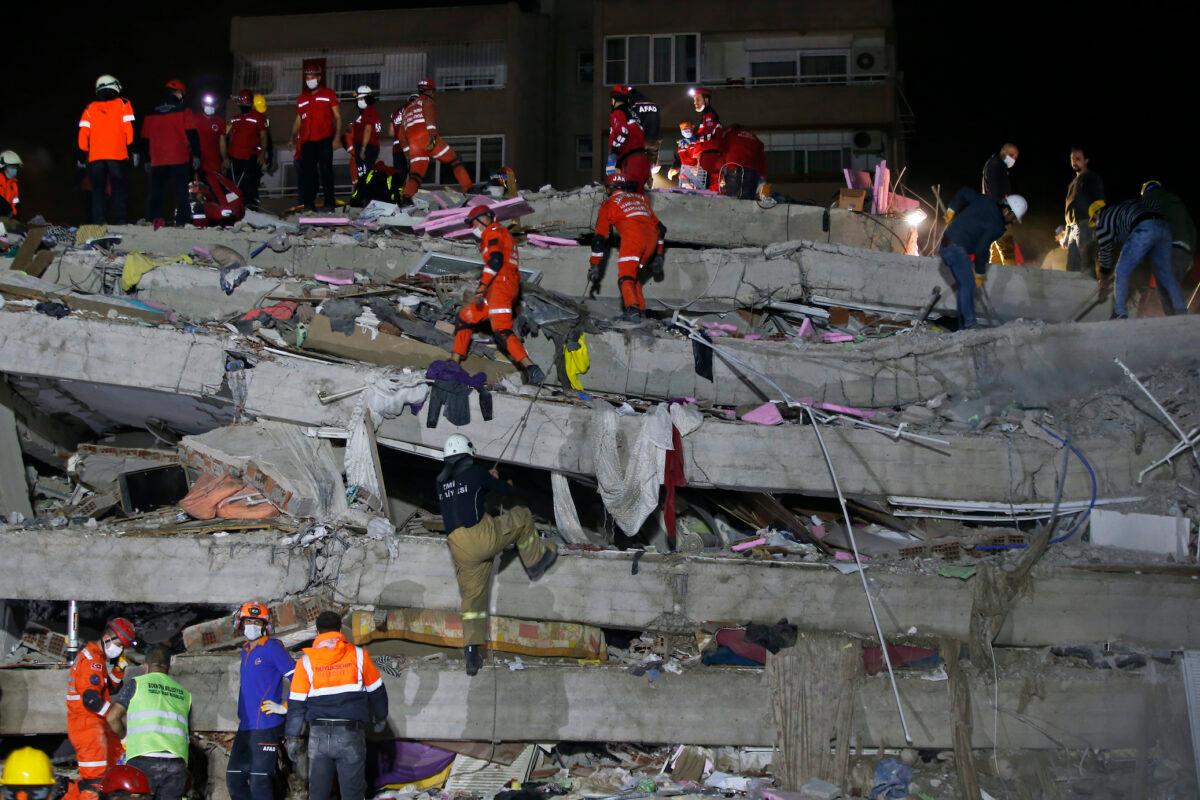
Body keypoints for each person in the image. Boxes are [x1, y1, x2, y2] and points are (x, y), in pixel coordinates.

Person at [436, 434, 557, 676]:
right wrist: (502, 483)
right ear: (467, 452)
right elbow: (505, 491)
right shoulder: (476, 473)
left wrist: (483, 484)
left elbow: (465, 499)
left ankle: (471, 652)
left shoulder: (440, 483)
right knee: (521, 515)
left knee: (472, 602)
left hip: (458, 547)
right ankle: (537, 560)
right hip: (481, 537)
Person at [285, 611, 388, 800]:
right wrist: (380, 717)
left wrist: (291, 737)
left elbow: (296, 706)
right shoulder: (358, 655)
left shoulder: (305, 662)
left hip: (318, 737)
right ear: (340, 630)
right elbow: (377, 691)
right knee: (352, 795)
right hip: (350, 734)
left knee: (318, 795)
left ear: (317, 632)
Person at [451, 205, 545, 384]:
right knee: (465, 317)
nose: (473, 229)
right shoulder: (502, 233)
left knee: (501, 331)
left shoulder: (493, 231)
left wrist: (481, 287)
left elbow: (495, 260)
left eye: (473, 224)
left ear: (483, 219)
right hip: (500, 287)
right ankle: (454, 363)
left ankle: (530, 367)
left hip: (501, 286)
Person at [226, 602, 295, 800]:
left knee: (259, 780)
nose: (252, 625)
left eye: (257, 621)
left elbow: (298, 676)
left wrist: (285, 707)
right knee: (234, 779)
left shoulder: (273, 647)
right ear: (241, 623)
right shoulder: (246, 650)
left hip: (266, 725)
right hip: (246, 726)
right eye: (249, 621)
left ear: (265, 625)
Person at [63, 618, 137, 800]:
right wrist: (113, 714)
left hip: (96, 726)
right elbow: (91, 699)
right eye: (119, 645)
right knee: (94, 784)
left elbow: (107, 688)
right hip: (88, 728)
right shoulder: (91, 661)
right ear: (106, 638)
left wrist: (119, 669)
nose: (120, 650)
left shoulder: (97, 658)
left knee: (109, 774)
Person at [106, 646, 191, 800]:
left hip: (143, 760)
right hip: (177, 763)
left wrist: (123, 737)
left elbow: (112, 717)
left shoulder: (137, 684)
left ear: (146, 666)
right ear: (169, 668)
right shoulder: (184, 693)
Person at [940, 189, 1027, 329]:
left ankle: (963, 326)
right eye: (1014, 218)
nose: (1013, 222)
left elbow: (963, 192)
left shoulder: (986, 200)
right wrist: (980, 272)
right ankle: (970, 324)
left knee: (965, 286)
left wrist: (952, 208)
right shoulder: (997, 226)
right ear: (1007, 211)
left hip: (947, 244)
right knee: (968, 286)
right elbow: (982, 248)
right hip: (956, 249)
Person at [1090, 197, 1188, 319]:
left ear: (1097, 213)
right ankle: (1181, 309)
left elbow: (1105, 254)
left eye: (1093, 220)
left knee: (1121, 271)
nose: (1095, 224)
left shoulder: (1103, 221)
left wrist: (1103, 281)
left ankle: (1119, 312)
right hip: (1163, 226)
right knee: (1166, 273)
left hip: (1144, 227)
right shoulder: (1123, 208)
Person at [589, 171, 666, 322]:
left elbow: (599, 239)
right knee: (634, 276)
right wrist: (659, 255)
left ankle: (632, 311)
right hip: (651, 242)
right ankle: (641, 310)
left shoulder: (609, 204)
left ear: (610, 188)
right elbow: (661, 228)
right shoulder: (640, 198)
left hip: (633, 239)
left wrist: (595, 265)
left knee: (625, 277)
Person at [400, 79, 473, 201]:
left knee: (416, 175)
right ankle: (469, 189)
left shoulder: (407, 110)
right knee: (455, 160)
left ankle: (406, 198)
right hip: (428, 138)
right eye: (433, 91)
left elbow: (401, 135)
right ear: (430, 91)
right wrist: (433, 137)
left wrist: (408, 153)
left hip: (414, 146)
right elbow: (429, 119)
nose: (434, 94)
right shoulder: (428, 101)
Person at [141, 79, 200, 227]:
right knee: (181, 191)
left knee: (156, 192)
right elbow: (192, 134)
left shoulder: (152, 111)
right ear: (179, 93)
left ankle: (153, 220)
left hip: (157, 158)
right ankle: (183, 221)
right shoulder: (184, 110)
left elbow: (145, 138)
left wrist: (146, 159)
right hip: (179, 157)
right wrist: (197, 155)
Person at [78, 75, 135, 225]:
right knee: (118, 189)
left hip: (95, 157)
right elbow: (129, 132)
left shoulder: (90, 108)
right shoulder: (124, 104)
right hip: (117, 155)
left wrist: (82, 155)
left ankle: (99, 221)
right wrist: (131, 149)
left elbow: (83, 135)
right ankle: (120, 220)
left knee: (97, 190)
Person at [1140, 180, 1196, 311]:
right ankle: (1178, 320)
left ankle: (1177, 319)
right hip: (1184, 252)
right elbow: (1192, 229)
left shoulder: (1151, 199)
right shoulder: (1178, 203)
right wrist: (1191, 254)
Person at [292, 65, 341, 212]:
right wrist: (292, 136)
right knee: (308, 173)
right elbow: (298, 119)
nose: (309, 80)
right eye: (307, 78)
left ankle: (329, 203)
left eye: (312, 78)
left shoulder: (329, 94)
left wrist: (337, 137)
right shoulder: (302, 98)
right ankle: (309, 204)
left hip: (325, 138)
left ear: (319, 78)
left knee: (326, 171)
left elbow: (337, 117)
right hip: (307, 141)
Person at [1064, 147, 1104, 273]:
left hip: (1086, 224)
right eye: (1072, 159)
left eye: (1078, 159)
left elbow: (1099, 201)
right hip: (1072, 228)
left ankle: (1089, 288)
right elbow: (1069, 209)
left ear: (1086, 160)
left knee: (1086, 262)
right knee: (1071, 265)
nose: (1074, 161)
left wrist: (1095, 223)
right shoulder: (1072, 184)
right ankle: (1073, 292)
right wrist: (1067, 232)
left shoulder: (1092, 177)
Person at [227, 91, 269, 209]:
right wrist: (226, 157)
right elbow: (228, 136)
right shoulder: (235, 119)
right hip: (234, 157)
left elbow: (264, 136)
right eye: (241, 101)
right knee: (234, 183)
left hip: (250, 156)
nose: (243, 104)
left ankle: (251, 206)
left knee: (249, 182)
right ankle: (234, 207)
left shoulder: (259, 117)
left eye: (246, 101)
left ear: (251, 103)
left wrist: (262, 153)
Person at [606, 85, 649, 190]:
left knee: (628, 198)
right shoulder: (633, 114)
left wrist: (614, 153)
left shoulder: (618, 112)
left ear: (613, 100)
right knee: (637, 198)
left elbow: (623, 131)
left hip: (632, 162)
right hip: (641, 160)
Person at [982, 143, 1019, 265]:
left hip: (991, 214)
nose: (1013, 159)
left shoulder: (995, 164)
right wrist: (1005, 211)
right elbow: (995, 191)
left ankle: (994, 281)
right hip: (999, 216)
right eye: (1012, 155)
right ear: (1003, 151)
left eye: (1015, 157)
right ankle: (1012, 281)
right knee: (1007, 251)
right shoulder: (996, 165)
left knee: (996, 254)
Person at [717, 126, 767, 200]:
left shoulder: (729, 134)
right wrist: (763, 177)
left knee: (732, 200)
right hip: (752, 171)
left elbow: (721, 149)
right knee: (747, 201)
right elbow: (761, 159)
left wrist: (719, 172)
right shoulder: (754, 138)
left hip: (734, 167)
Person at [688, 87, 722, 191]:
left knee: (705, 186)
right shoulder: (706, 114)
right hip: (709, 154)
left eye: (698, 99)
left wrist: (694, 137)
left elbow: (707, 132)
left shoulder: (709, 114)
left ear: (706, 100)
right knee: (707, 185)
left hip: (709, 155)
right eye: (694, 100)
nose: (695, 102)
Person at [348, 85, 381, 182]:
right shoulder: (366, 112)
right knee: (364, 174)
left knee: (364, 175)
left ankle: (365, 194)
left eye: (360, 99)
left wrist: (363, 148)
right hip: (368, 146)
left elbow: (368, 129)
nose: (358, 101)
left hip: (367, 146)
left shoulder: (369, 111)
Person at [191, 94, 227, 176]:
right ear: (202, 104)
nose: (209, 106)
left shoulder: (220, 121)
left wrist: (225, 159)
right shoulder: (194, 119)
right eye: (206, 104)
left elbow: (222, 143)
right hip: (197, 160)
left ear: (217, 106)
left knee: (214, 186)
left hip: (214, 161)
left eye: (212, 104)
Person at [668, 121, 701, 189]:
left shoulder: (698, 141)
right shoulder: (680, 144)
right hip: (685, 173)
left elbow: (698, 138)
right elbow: (679, 160)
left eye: (686, 128)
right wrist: (674, 169)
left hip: (697, 172)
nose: (684, 130)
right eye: (682, 129)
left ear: (692, 127)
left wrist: (698, 167)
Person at [387, 97, 412, 180]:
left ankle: (398, 191)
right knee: (415, 174)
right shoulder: (413, 109)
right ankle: (414, 192)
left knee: (399, 176)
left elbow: (391, 133)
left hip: (397, 147)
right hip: (410, 145)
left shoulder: (395, 113)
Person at [0, 150, 21, 219]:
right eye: (12, 167)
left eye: (16, 167)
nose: (14, 170)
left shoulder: (14, 185)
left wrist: (15, 217)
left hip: (5, 219)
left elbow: (15, 204)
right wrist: (7, 208)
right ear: (4, 167)